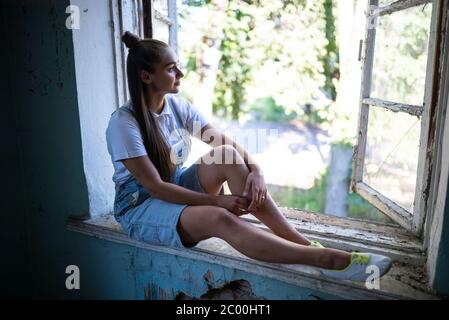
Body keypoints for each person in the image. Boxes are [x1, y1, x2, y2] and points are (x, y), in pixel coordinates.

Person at [105, 31, 392, 283]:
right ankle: (325, 260)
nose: (181, 74)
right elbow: (156, 188)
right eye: (171, 69)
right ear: (146, 76)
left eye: (177, 66)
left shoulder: (177, 107)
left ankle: (305, 244)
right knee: (220, 217)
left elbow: (222, 142)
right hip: (141, 207)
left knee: (227, 155)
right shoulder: (124, 123)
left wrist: (257, 170)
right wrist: (218, 200)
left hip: (176, 186)